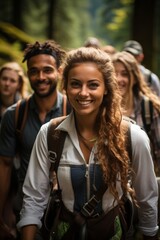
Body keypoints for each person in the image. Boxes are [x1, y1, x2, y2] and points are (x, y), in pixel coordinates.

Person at [18, 47, 158, 239]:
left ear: (106, 88)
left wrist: (149, 233)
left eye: (93, 85)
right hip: (65, 232)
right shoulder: (51, 134)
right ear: (65, 86)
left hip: (114, 232)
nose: (83, 93)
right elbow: (34, 198)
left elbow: (147, 199)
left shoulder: (133, 137)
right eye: (75, 84)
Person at [0, 40, 71, 239]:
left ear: (59, 71)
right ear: (27, 74)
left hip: (67, 212)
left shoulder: (73, 111)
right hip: (26, 211)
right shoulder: (14, 116)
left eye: (47, 70)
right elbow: (4, 166)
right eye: (34, 71)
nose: (41, 77)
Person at [112, 51, 160, 176]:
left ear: (134, 78)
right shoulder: (103, 109)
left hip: (145, 180)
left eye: (124, 74)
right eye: (114, 74)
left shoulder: (149, 108)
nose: (118, 79)